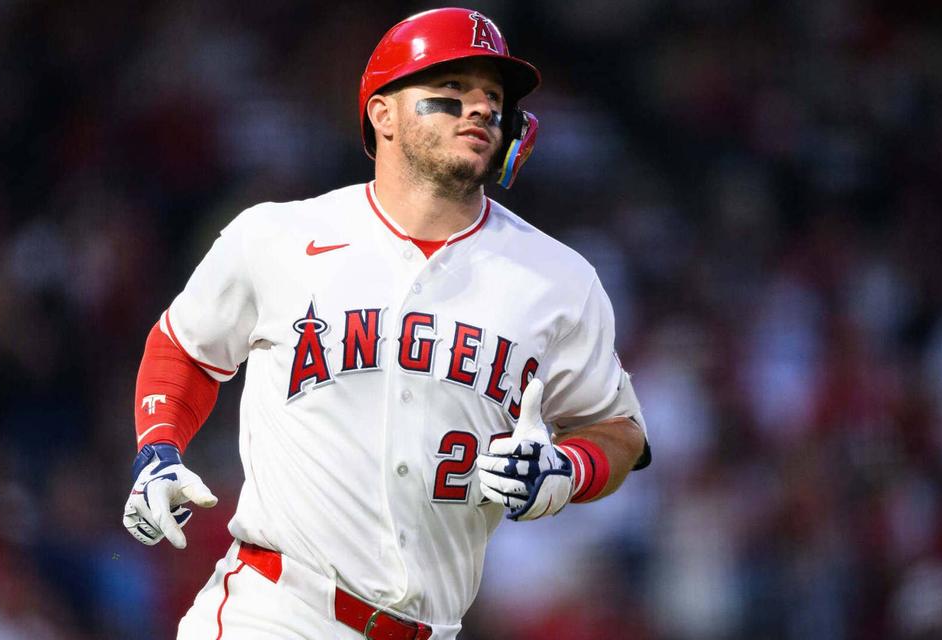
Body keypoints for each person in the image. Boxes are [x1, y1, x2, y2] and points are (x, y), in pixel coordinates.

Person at [121, 8, 651, 639]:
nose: (479, 110)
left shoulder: (558, 280)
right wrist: (157, 450)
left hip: (433, 629)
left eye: (492, 98)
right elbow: (183, 347)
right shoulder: (280, 237)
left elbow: (620, 431)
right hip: (276, 610)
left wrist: (568, 469)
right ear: (384, 114)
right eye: (450, 93)